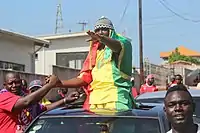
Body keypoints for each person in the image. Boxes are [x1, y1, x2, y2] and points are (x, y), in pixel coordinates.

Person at [47, 16, 134, 111]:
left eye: (104, 29)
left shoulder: (123, 43)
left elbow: (117, 46)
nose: (100, 32)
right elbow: (84, 79)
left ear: (111, 31)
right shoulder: (94, 53)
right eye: (98, 30)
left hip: (116, 99)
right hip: (94, 101)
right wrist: (58, 83)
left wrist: (102, 39)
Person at [0, 72, 78, 133]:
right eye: (10, 83)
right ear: (5, 85)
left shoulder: (22, 97)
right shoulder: (3, 97)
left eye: (17, 82)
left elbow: (44, 108)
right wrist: (50, 85)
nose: (14, 85)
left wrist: (65, 100)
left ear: (21, 82)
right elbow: (27, 102)